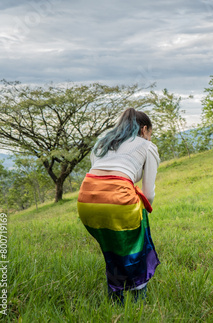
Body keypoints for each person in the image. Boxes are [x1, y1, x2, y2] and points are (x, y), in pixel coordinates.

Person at [77, 108, 160, 304]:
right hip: (118, 201)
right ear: (144, 129)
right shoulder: (147, 147)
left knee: (112, 249)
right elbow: (148, 194)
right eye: (150, 134)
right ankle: (139, 299)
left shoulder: (102, 143)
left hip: (86, 201)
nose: (149, 138)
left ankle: (115, 299)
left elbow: (98, 172)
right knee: (138, 246)